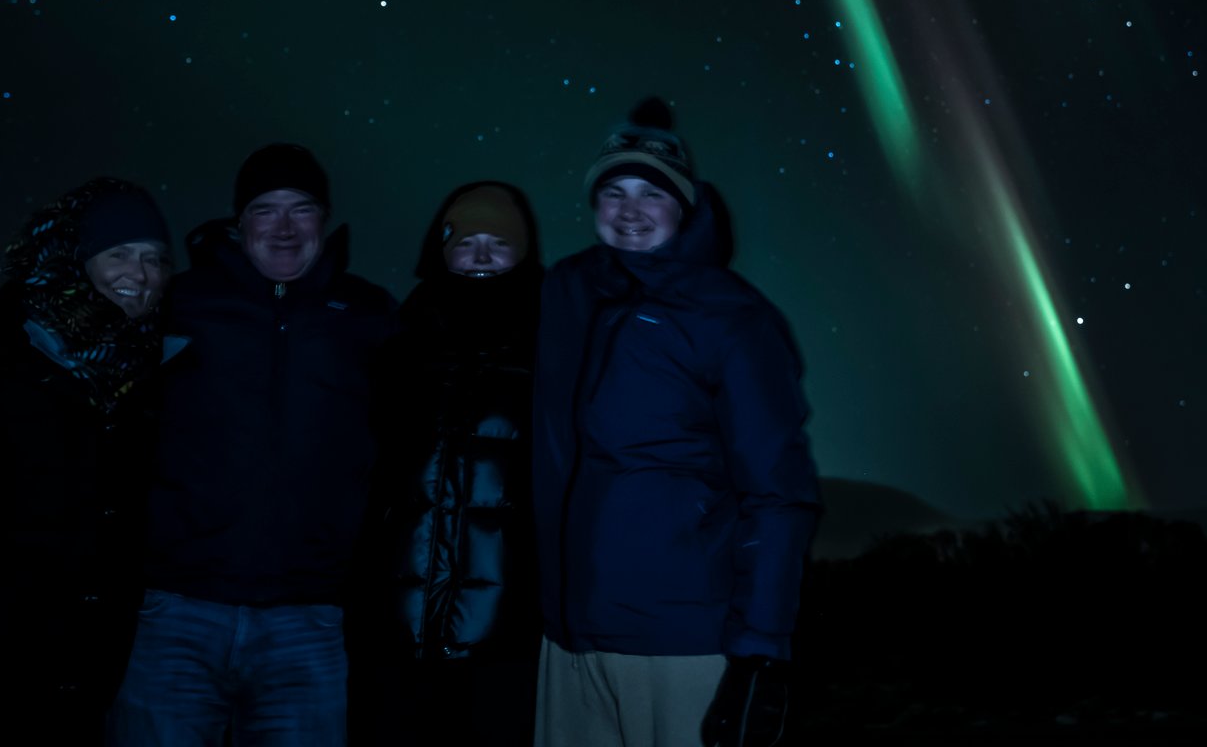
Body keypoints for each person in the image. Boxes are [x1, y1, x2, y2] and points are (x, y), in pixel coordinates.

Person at [533, 99, 822, 747]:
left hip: (681, 638)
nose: (630, 210)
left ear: (686, 205)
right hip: (568, 636)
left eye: (652, 194)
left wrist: (761, 649)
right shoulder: (568, 292)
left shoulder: (732, 318)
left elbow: (779, 490)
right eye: (613, 191)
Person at [110, 143, 397, 746]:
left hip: (309, 619)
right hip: (177, 613)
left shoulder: (369, 315)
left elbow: (404, 445)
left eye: (302, 209)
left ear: (325, 218)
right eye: (266, 210)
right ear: (240, 224)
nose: (285, 228)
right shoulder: (178, 304)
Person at [0, 177, 173, 744]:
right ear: (76, 258)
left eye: (154, 259)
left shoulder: (154, 367)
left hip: (104, 646)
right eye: (118, 252)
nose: (139, 275)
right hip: (4, 643)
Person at [351, 181, 545, 747]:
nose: (481, 256)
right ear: (441, 250)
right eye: (466, 242)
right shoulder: (399, 347)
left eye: (499, 243)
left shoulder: (552, 347)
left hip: (504, 638)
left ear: (524, 253)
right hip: (397, 631)